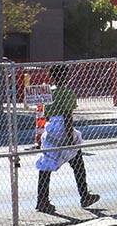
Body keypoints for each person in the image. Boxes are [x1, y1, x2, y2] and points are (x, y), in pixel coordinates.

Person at [35, 65, 99, 214]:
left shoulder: (48, 92)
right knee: (77, 162)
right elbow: (67, 114)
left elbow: (47, 115)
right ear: (66, 76)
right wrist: (70, 136)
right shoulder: (68, 92)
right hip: (63, 127)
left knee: (46, 165)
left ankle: (42, 200)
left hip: (50, 128)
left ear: (52, 76)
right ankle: (84, 195)